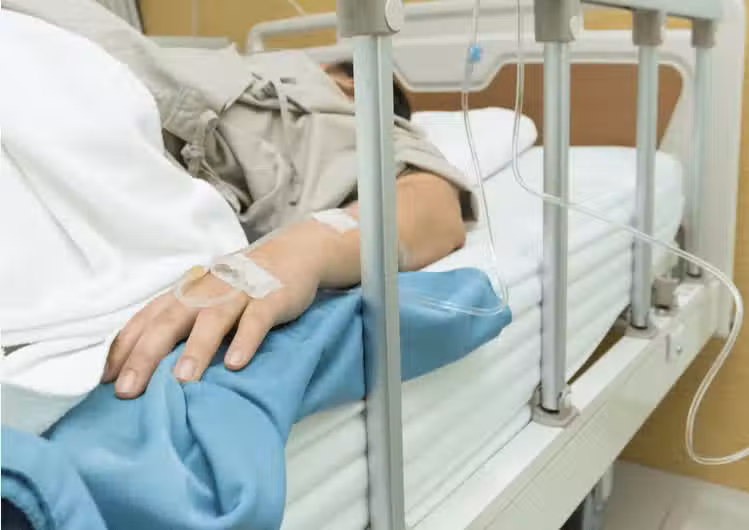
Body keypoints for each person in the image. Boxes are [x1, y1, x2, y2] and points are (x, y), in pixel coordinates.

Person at [1, 0, 474, 424]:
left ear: (347, 80)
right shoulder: (238, 64)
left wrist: (293, 253)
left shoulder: (352, 114)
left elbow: (433, 204)